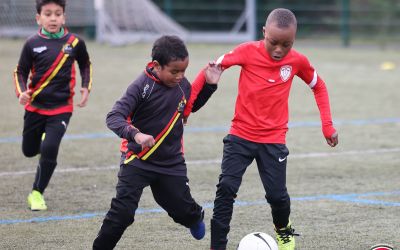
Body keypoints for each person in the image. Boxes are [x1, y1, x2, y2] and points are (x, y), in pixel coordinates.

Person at [210, 8, 339, 250]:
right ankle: (217, 246)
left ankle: (283, 230)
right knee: (226, 189)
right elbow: (213, 69)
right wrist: (188, 108)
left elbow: (318, 86)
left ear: (294, 40)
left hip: (273, 139)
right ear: (264, 33)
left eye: (286, 44)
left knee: (277, 197)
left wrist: (327, 126)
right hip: (240, 135)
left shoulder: (297, 61)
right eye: (273, 43)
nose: (279, 50)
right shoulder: (247, 51)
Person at [92, 35, 222, 250]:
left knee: (182, 210)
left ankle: (194, 217)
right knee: (121, 214)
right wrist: (136, 135)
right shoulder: (141, 87)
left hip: (171, 162)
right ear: (156, 66)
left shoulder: (183, 85)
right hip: (137, 159)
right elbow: (113, 117)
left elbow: (188, 107)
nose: (180, 76)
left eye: (184, 71)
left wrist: (209, 86)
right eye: (174, 71)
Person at [13, 0, 92, 211]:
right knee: (29, 151)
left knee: (49, 148)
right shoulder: (31, 43)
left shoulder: (75, 43)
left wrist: (86, 87)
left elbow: (85, 64)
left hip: (62, 108)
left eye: (58, 13)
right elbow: (20, 71)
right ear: (38, 18)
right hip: (35, 107)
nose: (53, 18)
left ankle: (37, 193)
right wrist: (22, 93)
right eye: (48, 14)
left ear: (64, 17)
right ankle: (42, 144)